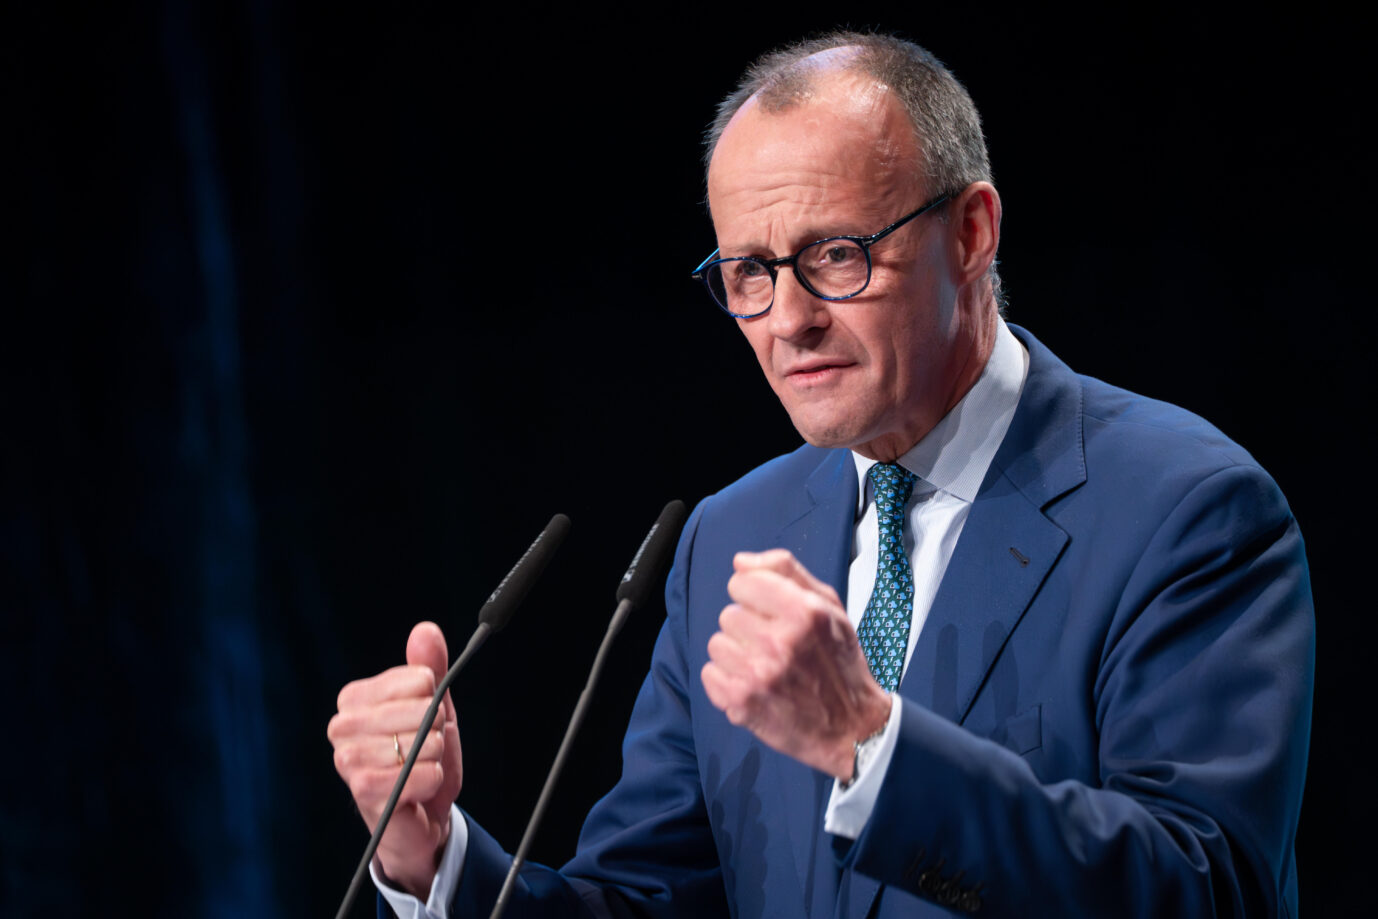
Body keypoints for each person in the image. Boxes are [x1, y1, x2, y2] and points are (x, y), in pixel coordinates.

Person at [328, 32, 1314, 918]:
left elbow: (1207, 888)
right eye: (749, 271)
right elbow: (644, 900)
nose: (787, 319)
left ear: (971, 233)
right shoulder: (731, 537)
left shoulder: (1184, 509)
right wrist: (434, 864)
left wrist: (869, 744)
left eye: (835, 255)